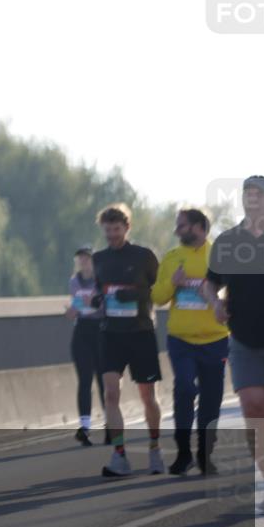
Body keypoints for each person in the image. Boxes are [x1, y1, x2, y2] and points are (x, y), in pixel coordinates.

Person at [203, 175, 264, 514]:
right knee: (253, 409)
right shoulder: (229, 242)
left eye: (258, 195)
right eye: (247, 195)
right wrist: (215, 303)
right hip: (245, 338)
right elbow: (210, 282)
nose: (252, 200)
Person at [86, 204, 165, 477]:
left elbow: (160, 289)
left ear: (127, 228)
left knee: (147, 395)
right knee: (110, 393)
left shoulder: (144, 256)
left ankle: (155, 449)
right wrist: (97, 298)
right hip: (110, 334)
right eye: (107, 230)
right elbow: (98, 288)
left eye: (116, 229)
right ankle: (119, 455)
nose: (111, 235)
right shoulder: (99, 259)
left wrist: (138, 296)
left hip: (141, 331)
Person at [151, 209, 229, 475]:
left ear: (198, 227)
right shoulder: (173, 258)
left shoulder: (218, 256)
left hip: (215, 340)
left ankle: (205, 454)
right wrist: (173, 284)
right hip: (181, 339)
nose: (177, 230)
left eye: (181, 226)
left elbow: (232, 294)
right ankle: (183, 452)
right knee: (184, 387)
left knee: (211, 398)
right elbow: (157, 297)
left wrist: (216, 295)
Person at [66, 245, 107, 447]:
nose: (83, 262)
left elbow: (101, 304)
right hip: (82, 330)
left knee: (103, 379)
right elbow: (77, 307)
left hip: (100, 330)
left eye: (87, 258)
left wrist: (89, 303)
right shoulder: (74, 281)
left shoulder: (102, 280)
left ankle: (110, 424)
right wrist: (74, 310)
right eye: (80, 259)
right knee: (84, 380)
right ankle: (84, 426)